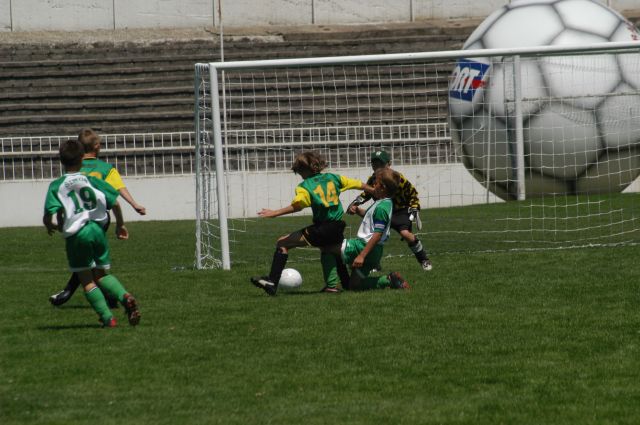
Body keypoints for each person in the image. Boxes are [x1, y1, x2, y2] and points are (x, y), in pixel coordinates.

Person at [43, 139, 141, 327]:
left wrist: (50, 225)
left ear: (61, 160)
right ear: (82, 158)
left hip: (77, 234)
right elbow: (115, 202)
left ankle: (107, 318)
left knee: (87, 280)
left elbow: (49, 214)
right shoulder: (92, 180)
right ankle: (125, 296)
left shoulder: (57, 185)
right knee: (102, 274)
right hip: (97, 230)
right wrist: (120, 224)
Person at [250, 151, 373, 296]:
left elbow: (298, 205)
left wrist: (274, 213)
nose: (299, 175)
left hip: (322, 228)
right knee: (331, 251)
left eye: (299, 171)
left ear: (304, 169)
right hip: (338, 225)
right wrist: (373, 190)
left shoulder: (304, 186)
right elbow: (358, 184)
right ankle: (343, 283)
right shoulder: (334, 177)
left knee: (282, 243)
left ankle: (272, 282)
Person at [348, 150, 432, 271]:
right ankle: (374, 263)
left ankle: (423, 259)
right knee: (373, 237)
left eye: (380, 164)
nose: (377, 167)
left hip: (400, 211)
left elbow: (412, 193)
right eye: (374, 164)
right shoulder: (373, 179)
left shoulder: (397, 178)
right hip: (383, 210)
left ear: (389, 164)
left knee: (405, 234)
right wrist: (355, 204)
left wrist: (414, 207)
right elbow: (366, 193)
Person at [330, 167, 410, 290]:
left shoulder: (382, 208)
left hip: (363, 246)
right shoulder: (384, 202)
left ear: (382, 187)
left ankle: (330, 285)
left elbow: (377, 234)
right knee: (354, 285)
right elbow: (370, 217)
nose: (373, 185)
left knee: (328, 249)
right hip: (374, 252)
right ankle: (389, 280)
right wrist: (357, 210)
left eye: (375, 183)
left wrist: (362, 255)